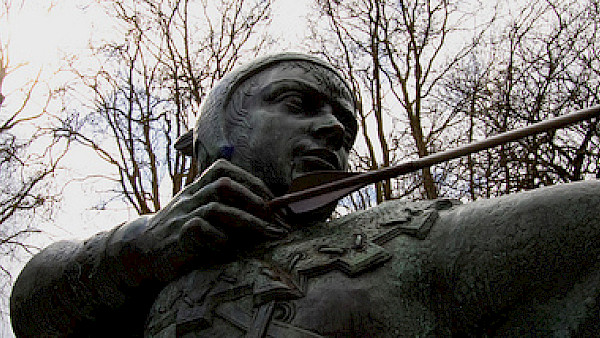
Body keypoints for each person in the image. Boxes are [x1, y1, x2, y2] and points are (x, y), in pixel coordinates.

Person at [10, 53, 600, 337]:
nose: (335, 130)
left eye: (346, 126)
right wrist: (143, 245)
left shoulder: (401, 238)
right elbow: (34, 307)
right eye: (299, 104)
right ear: (219, 133)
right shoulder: (155, 271)